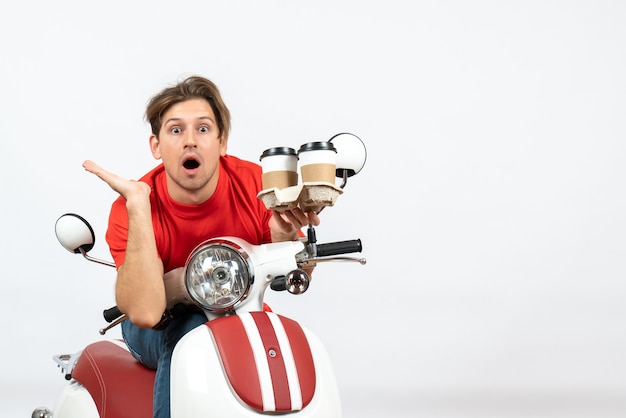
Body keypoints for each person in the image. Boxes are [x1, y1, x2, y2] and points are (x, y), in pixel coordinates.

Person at [83, 75, 320, 418]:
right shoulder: (131, 206)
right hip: (157, 324)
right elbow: (145, 312)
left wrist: (284, 236)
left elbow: (300, 273)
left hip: (240, 312)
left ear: (222, 142)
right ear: (156, 145)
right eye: (176, 130)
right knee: (190, 330)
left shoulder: (257, 185)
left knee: (281, 338)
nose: (190, 141)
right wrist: (137, 204)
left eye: (204, 129)